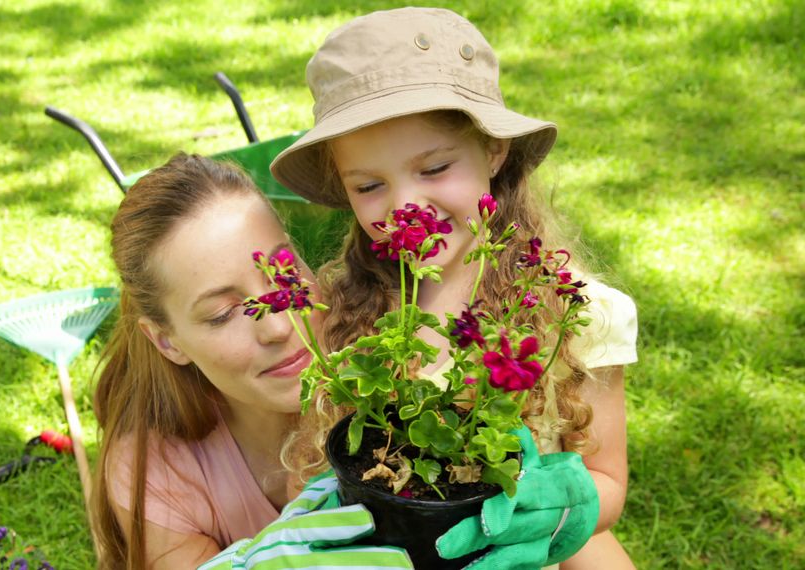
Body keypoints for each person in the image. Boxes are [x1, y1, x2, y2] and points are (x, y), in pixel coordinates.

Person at [270, 7, 638, 569]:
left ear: (494, 151)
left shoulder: (581, 312)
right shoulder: (336, 316)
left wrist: (566, 510)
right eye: (369, 184)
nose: (405, 206)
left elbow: (607, 481)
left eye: (436, 168)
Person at [90, 154, 412, 569]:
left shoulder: (397, 364)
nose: (277, 326)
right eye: (223, 313)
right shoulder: (160, 470)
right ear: (168, 342)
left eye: (284, 273)